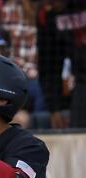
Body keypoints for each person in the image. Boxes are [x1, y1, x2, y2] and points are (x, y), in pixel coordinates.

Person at [37, 0, 86, 129]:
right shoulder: (46, 15)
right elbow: (49, 65)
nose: (48, 5)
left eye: (52, 2)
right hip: (82, 81)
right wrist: (54, 109)